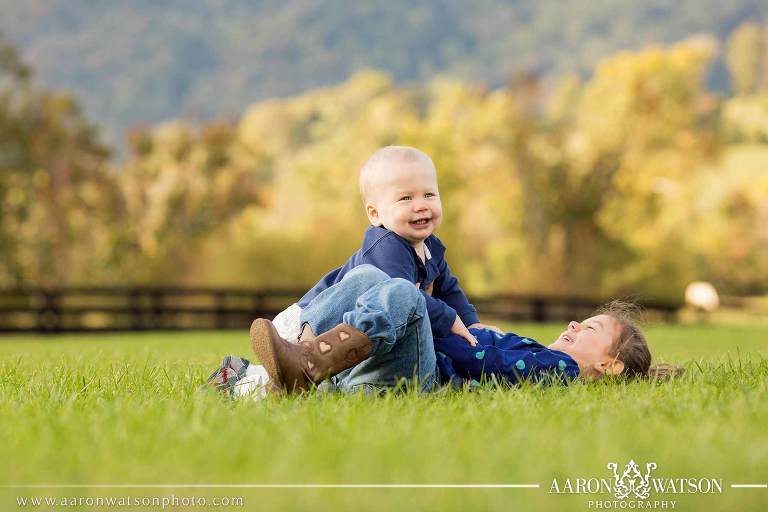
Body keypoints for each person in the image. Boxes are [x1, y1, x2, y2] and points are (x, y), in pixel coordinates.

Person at [212, 265, 669, 398]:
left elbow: (482, 361)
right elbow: (488, 347)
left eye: (588, 328)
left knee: (407, 298)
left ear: (608, 365)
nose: (573, 325)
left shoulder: (561, 371)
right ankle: (290, 363)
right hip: (392, 374)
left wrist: (436, 321)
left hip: (418, 381)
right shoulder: (542, 355)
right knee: (370, 275)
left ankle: (303, 362)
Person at [273, 145, 499, 348]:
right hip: (308, 321)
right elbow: (403, 296)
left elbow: (449, 289)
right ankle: (288, 360)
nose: (420, 206)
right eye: (405, 198)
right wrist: (448, 319)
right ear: (375, 214)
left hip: (346, 332)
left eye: (429, 194)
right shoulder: (385, 246)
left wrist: (471, 323)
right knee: (302, 371)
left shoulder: (431, 247)